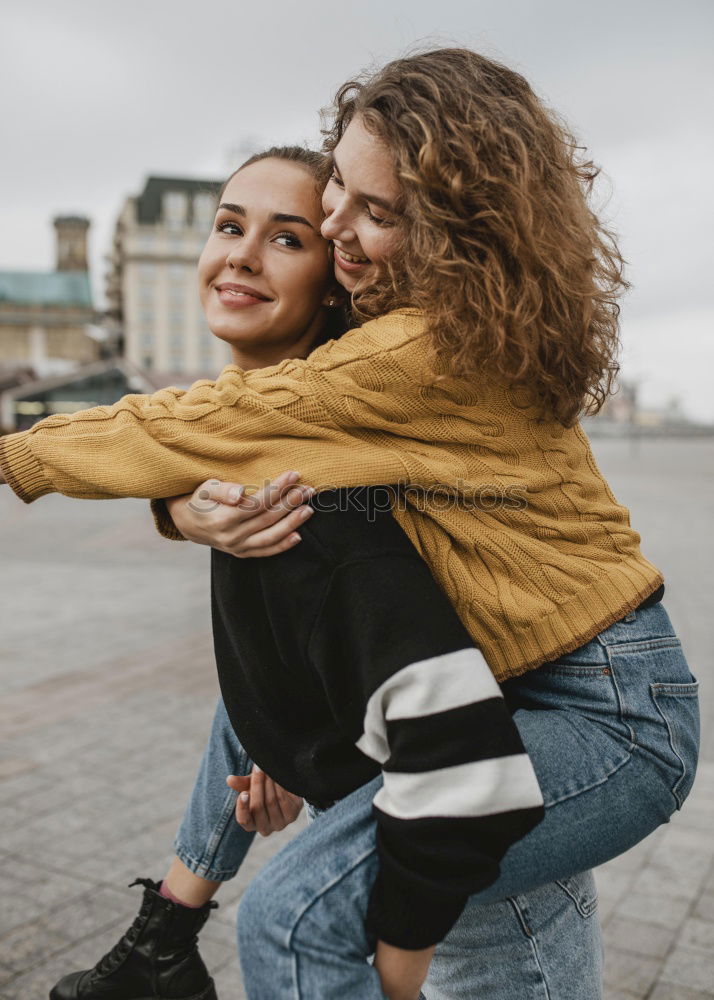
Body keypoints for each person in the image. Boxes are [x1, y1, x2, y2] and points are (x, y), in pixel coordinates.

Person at [0, 47, 699, 999]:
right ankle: (169, 930)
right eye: (339, 194)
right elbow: (253, 488)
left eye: (379, 213)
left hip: (603, 715)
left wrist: (16, 456)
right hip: (521, 698)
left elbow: (200, 426)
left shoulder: (423, 351)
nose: (340, 227)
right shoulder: (425, 336)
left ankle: (168, 932)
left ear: (458, 230)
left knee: (296, 915)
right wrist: (182, 517)